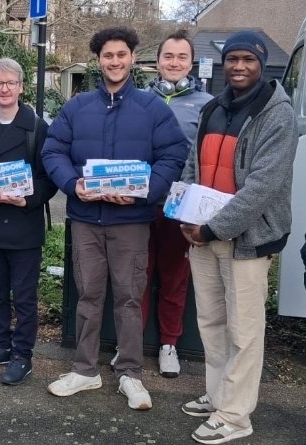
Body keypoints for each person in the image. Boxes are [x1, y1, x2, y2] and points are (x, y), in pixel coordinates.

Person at [43, 27, 188, 410]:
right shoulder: (76, 108)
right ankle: (85, 370)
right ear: (98, 60)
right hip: (87, 219)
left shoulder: (152, 108)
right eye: (108, 55)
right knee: (89, 296)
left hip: (132, 221)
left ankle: (130, 373)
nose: (115, 61)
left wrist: (146, 191)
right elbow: (52, 150)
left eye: (121, 54)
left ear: (132, 57)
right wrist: (73, 185)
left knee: (128, 298)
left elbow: (174, 154)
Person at [179, 31, 298, 444]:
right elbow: (193, 164)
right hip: (203, 235)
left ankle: (235, 415)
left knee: (244, 331)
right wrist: (184, 212)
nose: (239, 66)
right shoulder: (215, 105)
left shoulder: (276, 114)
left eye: (248, 59)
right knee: (212, 321)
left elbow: (262, 187)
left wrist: (212, 227)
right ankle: (217, 396)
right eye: (233, 59)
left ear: (261, 63)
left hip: (246, 240)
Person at [0, 58, 55, 385]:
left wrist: (27, 199)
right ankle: (1, 345)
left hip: (22, 227)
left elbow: (49, 179)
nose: (4, 89)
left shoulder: (36, 127)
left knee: (25, 297)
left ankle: (22, 356)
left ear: (20, 87)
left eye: (10, 83)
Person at [131, 30, 213, 378]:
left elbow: (205, 157)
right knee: (137, 277)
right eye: (168, 56)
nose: (174, 63)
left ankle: (169, 345)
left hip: (178, 207)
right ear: (158, 61)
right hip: (136, 204)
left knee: (174, 279)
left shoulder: (207, 105)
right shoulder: (137, 100)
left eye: (181, 57)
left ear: (190, 63)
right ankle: (131, 343)